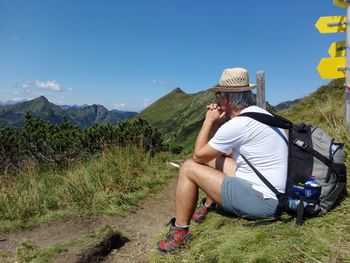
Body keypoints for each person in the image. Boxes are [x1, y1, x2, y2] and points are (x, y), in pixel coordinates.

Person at [157, 67, 288, 254]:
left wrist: (208, 121)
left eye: (219, 95)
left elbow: (198, 155)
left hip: (264, 202)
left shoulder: (239, 123)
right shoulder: (261, 114)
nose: (218, 100)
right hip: (276, 193)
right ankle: (207, 205)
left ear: (227, 98)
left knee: (188, 167)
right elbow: (218, 153)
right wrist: (218, 124)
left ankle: (179, 234)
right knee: (212, 160)